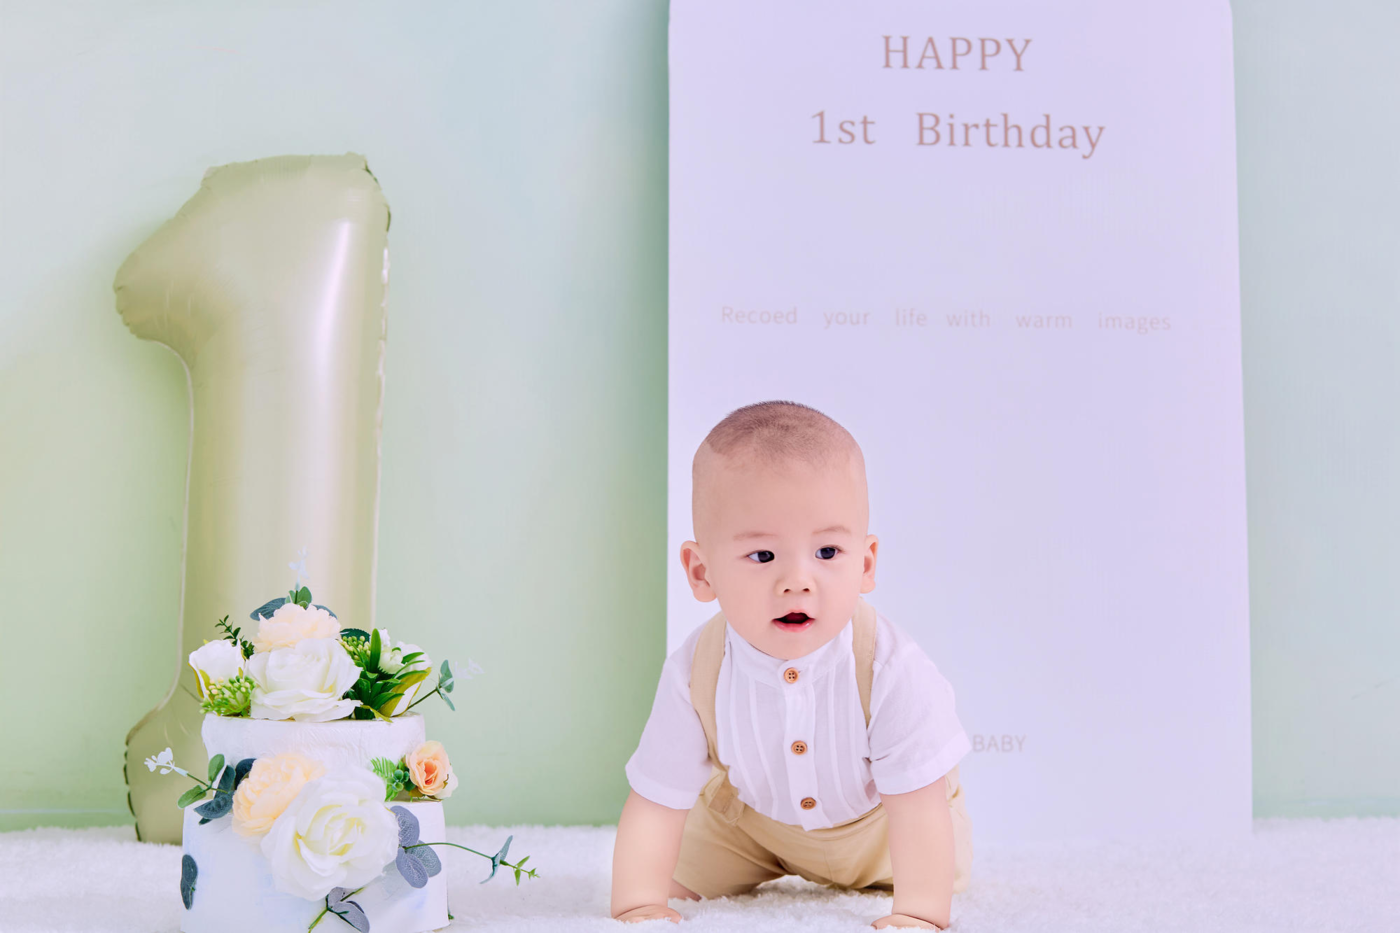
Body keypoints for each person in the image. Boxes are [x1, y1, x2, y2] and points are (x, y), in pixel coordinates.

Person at [611, 400, 973, 929]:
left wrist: (919, 914)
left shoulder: (890, 668)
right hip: (749, 827)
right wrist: (638, 903)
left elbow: (918, 807)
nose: (798, 582)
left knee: (936, 860)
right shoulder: (696, 670)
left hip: (883, 832)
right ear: (702, 572)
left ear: (866, 563)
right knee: (669, 874)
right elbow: (657, 798)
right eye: (763, 556)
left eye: (827, 553)